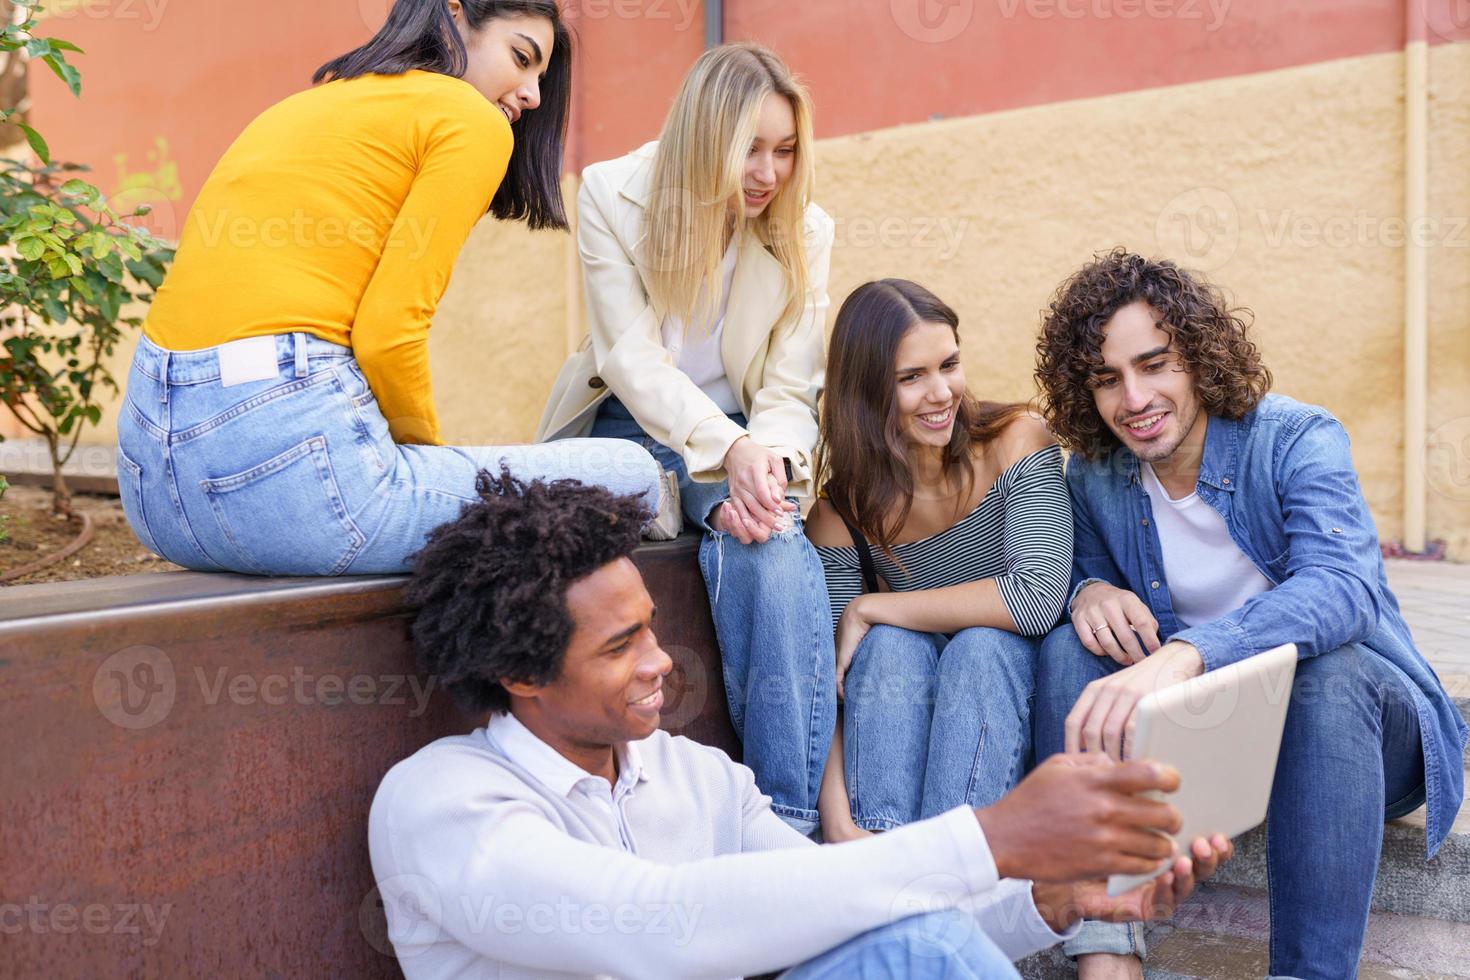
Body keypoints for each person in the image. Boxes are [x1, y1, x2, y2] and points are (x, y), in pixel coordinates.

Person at [368, 468, 1233, 979]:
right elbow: (657, 923)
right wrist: (992, 835)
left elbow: (851, 903)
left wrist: (1047, 899)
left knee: (910, 941)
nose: (661, 661)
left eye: (653, 629)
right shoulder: (442, 804)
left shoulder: (691, 775)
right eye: (621, 646)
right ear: (521, 674)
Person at [1030, 249, 1468, 980]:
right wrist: (1087, 592)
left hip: (1357, 741)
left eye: (1155, 364)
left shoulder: (1296, 437)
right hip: (1214, 747)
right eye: (1107, 379)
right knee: (1072, 648)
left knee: (1327, 670)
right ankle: (1105, 952)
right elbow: (1081, 576)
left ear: (1199, 356)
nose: (1134, 398)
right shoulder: (1098, 474)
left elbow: (1344, 589)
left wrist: (1190, 650)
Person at [115, 0, 660, 576]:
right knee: (631, 471)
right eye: (521, 58)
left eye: (540, 79)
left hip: (155, 497)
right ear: (453, 13)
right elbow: (389, 332)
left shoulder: (306, 104)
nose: (533, 96)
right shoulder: (468, 119)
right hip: (294, 487)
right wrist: (421, 462)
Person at [536, 43, 835, 834]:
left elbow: (788, 387)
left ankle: (789, 827)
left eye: (786, 149)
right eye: (752, 149)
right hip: (626, 427)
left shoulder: (806, 228)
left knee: (770, 542)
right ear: (706, 138)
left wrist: (762, 465)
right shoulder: (609, 193)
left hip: (741, 433)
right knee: (686, 490)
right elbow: (631, 360)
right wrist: (726, 459)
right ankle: (702, 501)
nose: (770, 171)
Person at [804, 280, 1071, 842]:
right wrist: (837, 821)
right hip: (905, 734)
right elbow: (827, 681)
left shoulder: (1015, 441)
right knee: (887, 648)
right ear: (867, 393)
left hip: (1009, 718)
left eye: (949, 364)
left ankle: (954, 870)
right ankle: (879, 854)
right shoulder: (842, 515)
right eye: (911, 377)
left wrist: (872, 605)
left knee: (978, 646)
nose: (941, 392)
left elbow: (1036, 599)